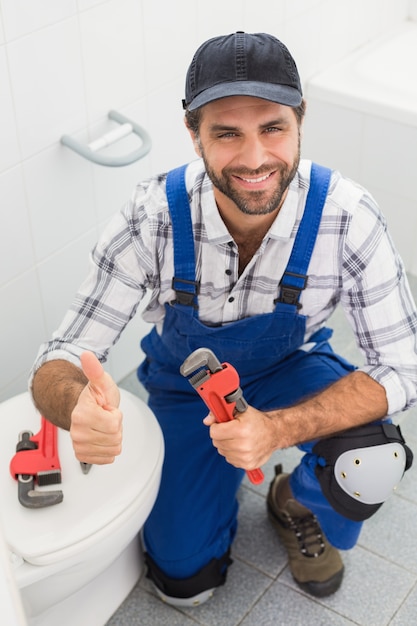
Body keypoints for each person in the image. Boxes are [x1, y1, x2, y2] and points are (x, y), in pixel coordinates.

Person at [30, 32, 417, 607]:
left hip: (288, 371)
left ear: (300, 122)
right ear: (194, 135)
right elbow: (58, 359)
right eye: (227, 133)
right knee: (185, 586)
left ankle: (292, 498)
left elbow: (402, 371)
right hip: (187, 390)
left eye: (273, 128)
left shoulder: (348, 218)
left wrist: (276, 430)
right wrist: (75, 404)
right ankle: (216, 485)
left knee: (372, 459)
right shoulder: (152, 217)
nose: (255, 158)